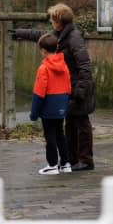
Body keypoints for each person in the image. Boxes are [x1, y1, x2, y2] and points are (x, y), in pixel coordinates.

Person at [15, 3, 95, 171]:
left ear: (59, 21)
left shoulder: (74, 38)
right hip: (69, 88)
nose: (51, 22)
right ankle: (72, 160)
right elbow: (41, 36)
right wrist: (19, 33)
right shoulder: (60, 35)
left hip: (78, 88)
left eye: (52, 19)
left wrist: (80, 92)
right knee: (70, 125)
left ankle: (86, 160)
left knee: (82, 124)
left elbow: (85, 66)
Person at [30, 33, 72, 175]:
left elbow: (39, 93)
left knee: (50, 136)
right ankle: (66, 164)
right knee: (60, 134)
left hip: (48, 106)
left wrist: (34, 113)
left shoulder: (44, 68)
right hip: (61, 106)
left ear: (43, 50)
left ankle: (52, 164)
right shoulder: (64, 66)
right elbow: (68, 87)